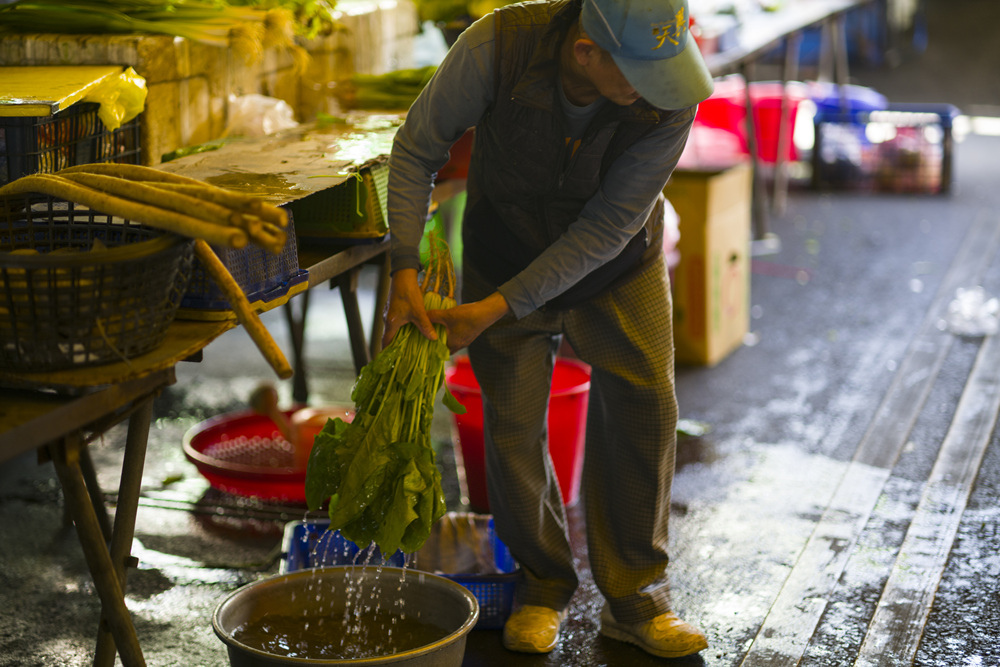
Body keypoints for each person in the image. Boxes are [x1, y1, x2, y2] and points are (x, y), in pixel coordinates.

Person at [382, 0, 713, 658]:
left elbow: (607, 225)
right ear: (585, 51)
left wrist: (497, 307)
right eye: (644, 70)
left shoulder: (672, 96)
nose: (664, 87)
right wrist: (402, 269)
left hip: (617, 260)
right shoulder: (496, 48)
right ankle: (541, 584)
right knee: (512, 421)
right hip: (504, 244)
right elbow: (417, 147)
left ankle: (637, 598)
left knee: (648, 403)